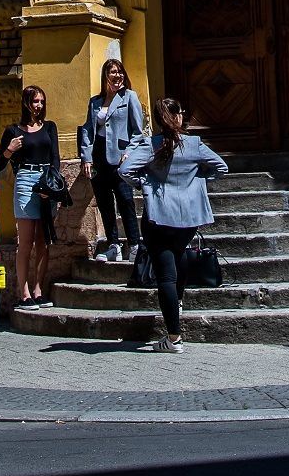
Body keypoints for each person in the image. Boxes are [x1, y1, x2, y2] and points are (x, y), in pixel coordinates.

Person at [119, 97, 227, 353]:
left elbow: (124, 171)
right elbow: (221, 167)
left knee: (166, 274)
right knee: (180, 257)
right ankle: (177, 305)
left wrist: (145, 184)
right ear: (177, 117)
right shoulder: (194, 145)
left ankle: (174, 337)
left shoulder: (151, 145)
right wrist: (198, 181)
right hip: (187, 218)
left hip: (158, 215)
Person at [0, 85, 58, 310]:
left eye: (41, 101)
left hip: (46, 181)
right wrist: (9, 150)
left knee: (44, 241)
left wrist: (49, 186)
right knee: (26, 241)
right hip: (24, 180)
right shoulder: (13, 131)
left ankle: (38, 290)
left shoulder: (50, 128)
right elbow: (0, 163)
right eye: (35, 102)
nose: (39, 106)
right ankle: (23, 294)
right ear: (26, 103)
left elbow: (56, 159)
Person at [77, 58, 145, 261]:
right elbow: (88, 130)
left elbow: (138, 132)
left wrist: (130, 152)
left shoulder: (129, 97)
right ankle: (113, 245)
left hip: (120, 159)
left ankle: (134, 244)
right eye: (113, 72)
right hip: (98, 159)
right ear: (105, 77)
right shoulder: (95, 102)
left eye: (120, 72)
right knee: (105, 203)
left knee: (125, 201)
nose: (118, 76)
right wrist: (86, 158)